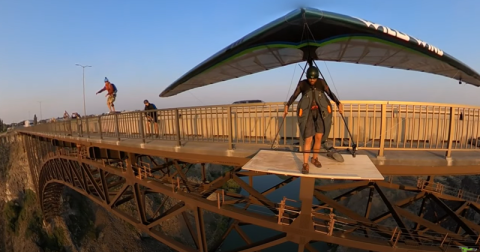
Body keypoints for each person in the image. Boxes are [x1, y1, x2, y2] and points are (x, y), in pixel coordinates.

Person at [284, 65, 344, 174]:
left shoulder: (321, 82)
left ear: (317, 77)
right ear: (307, 77)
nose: (312, 80)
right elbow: (295, 95)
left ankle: (315, 158)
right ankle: (305, 164)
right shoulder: (303, 84)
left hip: (321, 113)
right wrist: (287, 105)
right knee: (308, 139)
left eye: (314, 78)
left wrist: (338, 103)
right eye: (310, 78)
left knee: (318, 137)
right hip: (308, 113)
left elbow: (330, 93)